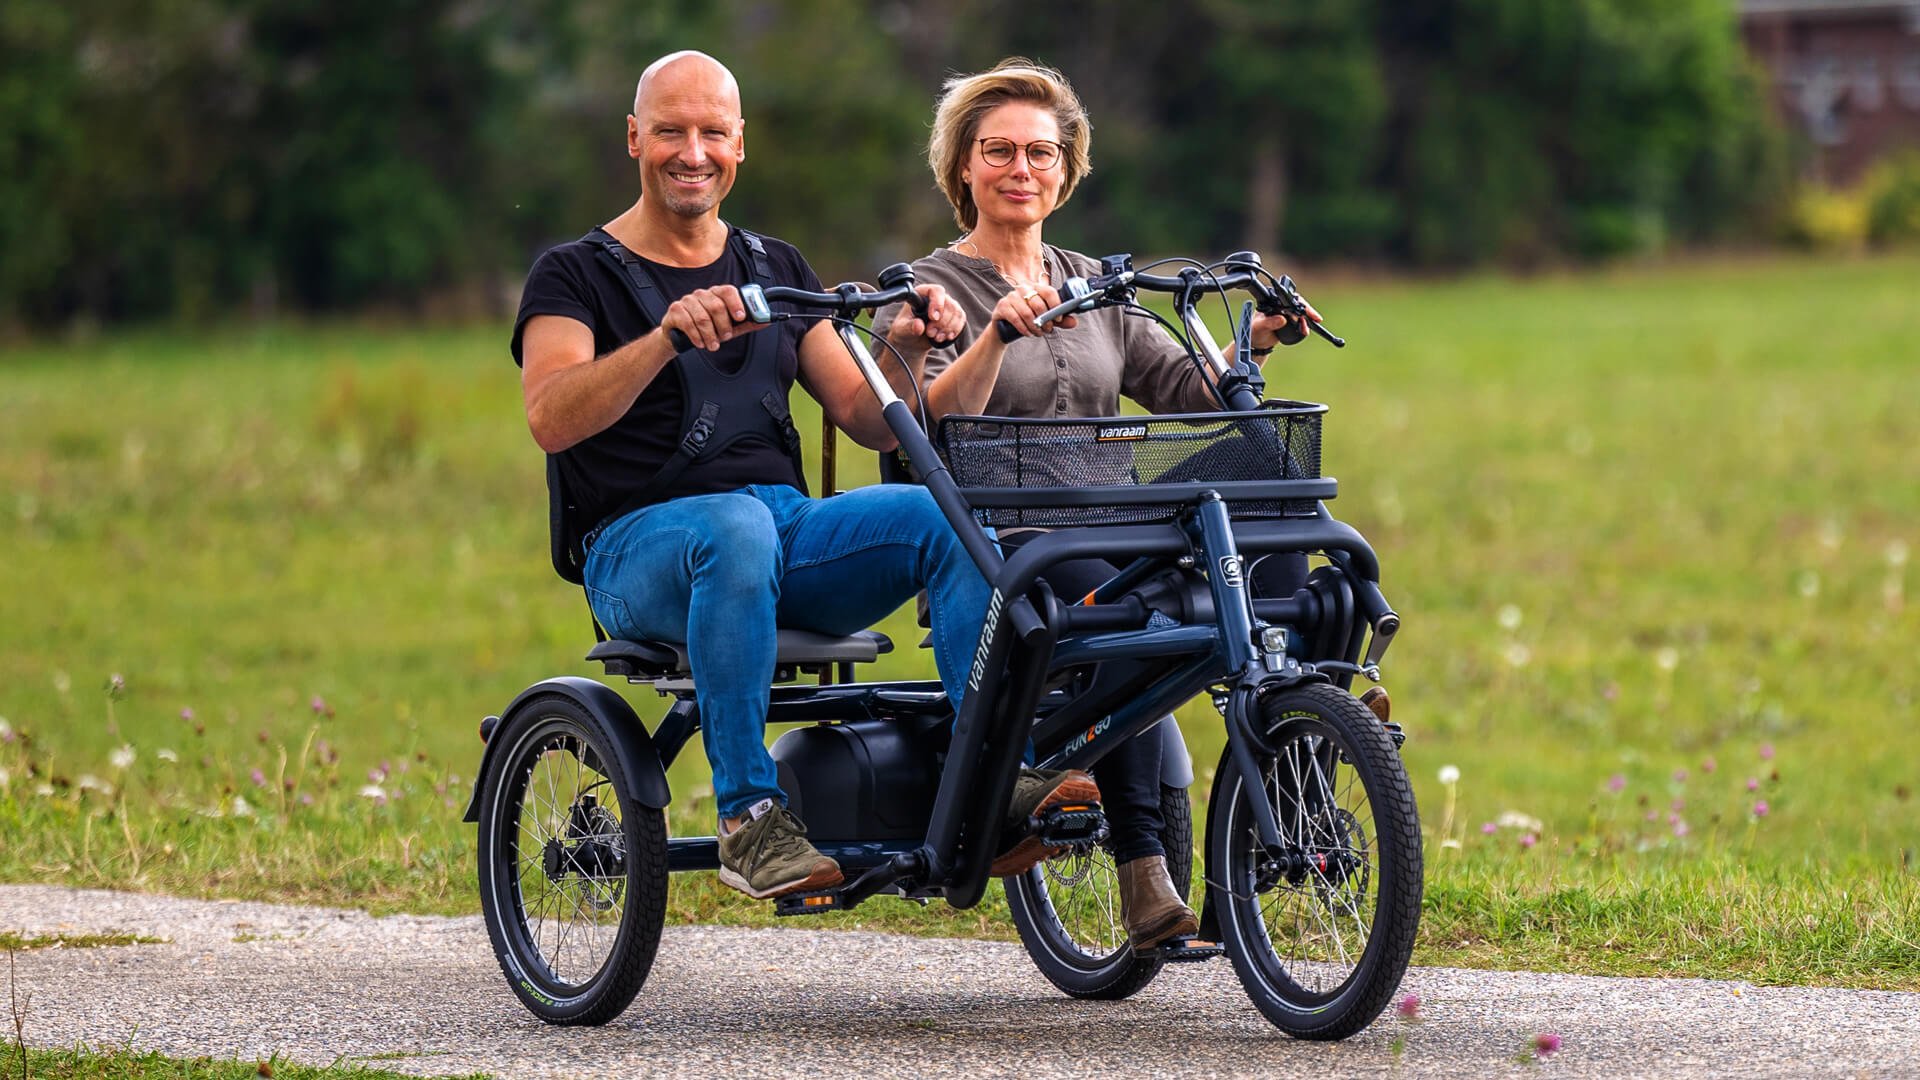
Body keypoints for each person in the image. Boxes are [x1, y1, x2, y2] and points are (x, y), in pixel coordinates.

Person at [511, 51, 1097, 902]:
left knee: (945, 517)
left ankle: (996, 780)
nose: (693, 151)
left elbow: (868, 411)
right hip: (638, 550)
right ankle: (750, 816)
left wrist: (917, 339)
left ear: (740, 145)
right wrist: (666, 338)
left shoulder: (773, 265)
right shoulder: (573, 273)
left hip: (780, 533)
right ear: (635, 137)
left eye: (713, 132)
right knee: (734, 530)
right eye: (671, 131)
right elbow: (551, 416)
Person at [874, 58, 1357, 954]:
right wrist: (994, 335)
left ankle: (1294, 730)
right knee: (1138, 617)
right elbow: (919, 423)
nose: (1023, 169)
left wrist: (1251, 344)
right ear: (964, 169)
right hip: (1007, 532)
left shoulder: (1093, 278)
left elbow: (1182, 388)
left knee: (1266, 470)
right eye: (1000, 152)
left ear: (1067, 169)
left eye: (1041, 153)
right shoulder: (926, 289)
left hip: (1112, 511)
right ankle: (1143, 873)